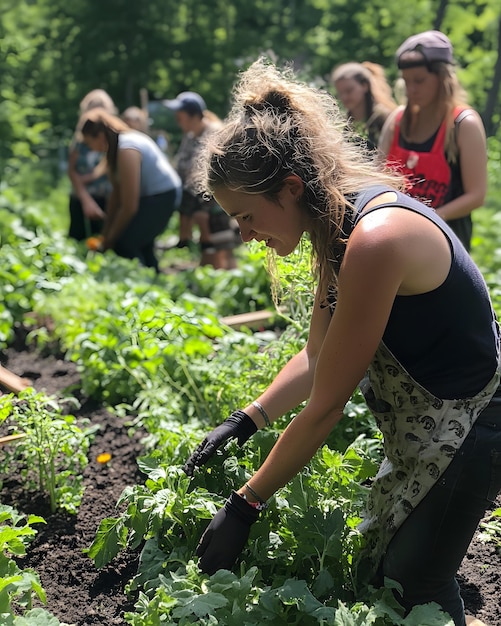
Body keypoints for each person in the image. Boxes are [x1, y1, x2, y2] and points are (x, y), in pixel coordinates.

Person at [183, 58, 501, 626]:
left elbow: (327, 403)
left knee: (414, 586)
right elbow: (314, 357)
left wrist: (245, 503)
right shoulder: (338, 225)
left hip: (472, 425)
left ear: (290, 187)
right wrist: (247, 418)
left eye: (248, 217)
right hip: (429, 424)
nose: (246, 236)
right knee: (388, 570)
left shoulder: (376, 238)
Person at [378, 30, 487, 252]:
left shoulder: (463, 124)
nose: (411, 90)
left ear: (443, 77)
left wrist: (428, 219)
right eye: (406, 81)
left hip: (446, 245)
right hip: (395, 238)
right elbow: (378, 176)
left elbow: (476, 195)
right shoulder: (397, 121)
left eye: (419, 81)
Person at [79, 108, 181, 272]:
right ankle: (154, 277)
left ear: (99, 136)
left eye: (89, 142)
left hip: (162, 196)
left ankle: (138, 280)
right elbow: (116, 196)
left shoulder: (127, 149)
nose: (91, 148)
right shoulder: (116, 150)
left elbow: (129, 206)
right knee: (142, 243)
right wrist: (105, 234)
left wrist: (110, 240)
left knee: (125, 244)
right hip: (152, 196)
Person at [164, 91, 240, 269]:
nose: (177, 120)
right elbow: (184, 171)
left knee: (222, 248)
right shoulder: (190, 136)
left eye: (180, 116)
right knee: (208, 249)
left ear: (193, 116)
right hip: (198, 205)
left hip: (216, 203)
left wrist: (203, 209)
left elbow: (216, 175)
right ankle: (209, 287)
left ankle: (229, 284)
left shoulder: (213, 135)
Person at [67, 89, 116, 241]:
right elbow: (72, 169)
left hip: (104, 195)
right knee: (78, 236)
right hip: (80, 195)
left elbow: (111, 163)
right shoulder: (80, 139)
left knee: (102, 237)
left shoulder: (112, 136)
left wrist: (91, 176)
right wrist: (85, 197)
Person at [330, 61, 397, 152]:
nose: (344, 97)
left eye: (349, 91)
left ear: (365, 86)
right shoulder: (342, 124)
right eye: (340, 93)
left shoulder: (384, 118)